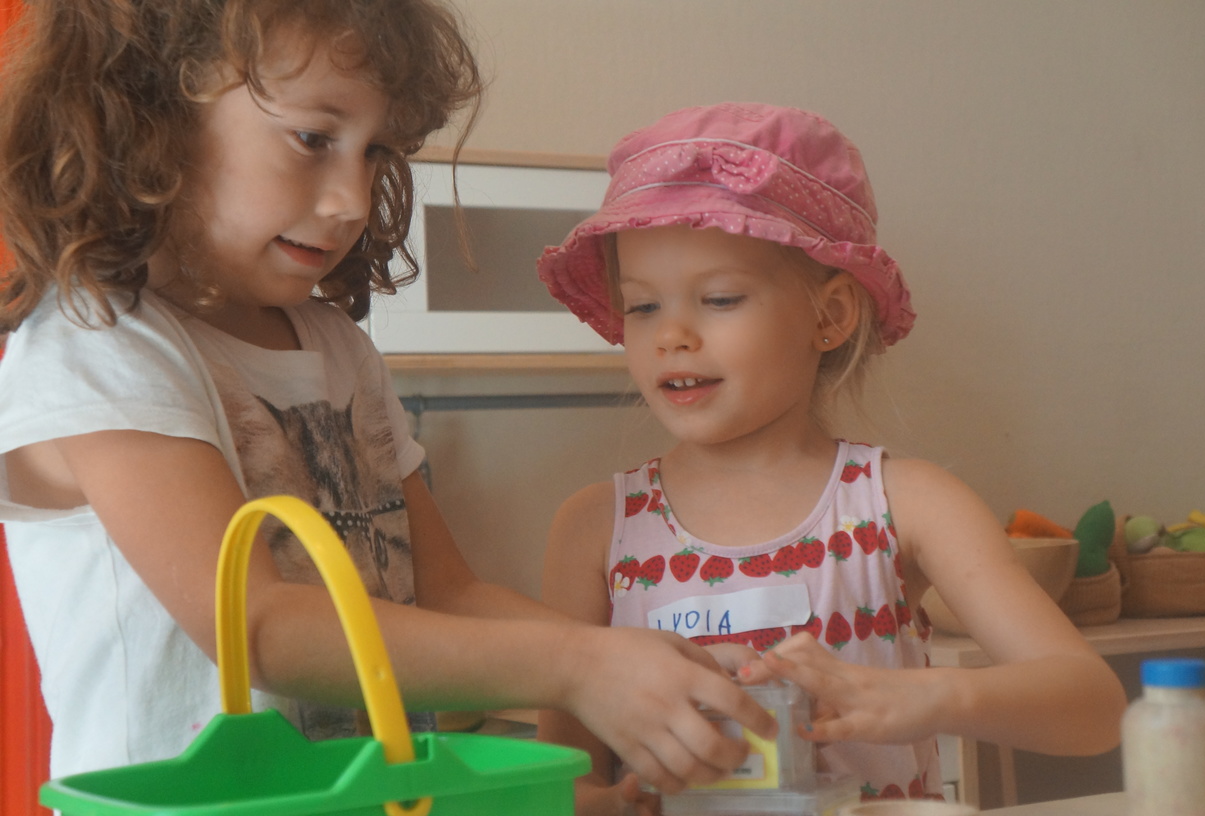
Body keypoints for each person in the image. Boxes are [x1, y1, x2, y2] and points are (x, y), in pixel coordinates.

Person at [0, 2, 778, 784]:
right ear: (152, 119)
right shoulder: (97, 343)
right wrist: (578, 666)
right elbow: (259, 628)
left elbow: (447, 594)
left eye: (375, 152)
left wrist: (637, 660)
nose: (352, 199)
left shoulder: (337, 347)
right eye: (313, 139)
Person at [535, 102, 1127, 813]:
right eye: (642, 307)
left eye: (719, 298)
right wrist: (599, 801)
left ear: (831, 316)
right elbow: (563, 776)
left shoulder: (908, 502)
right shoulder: (595, 527)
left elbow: (1093, 706)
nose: (672, 336)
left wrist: (924, 696)